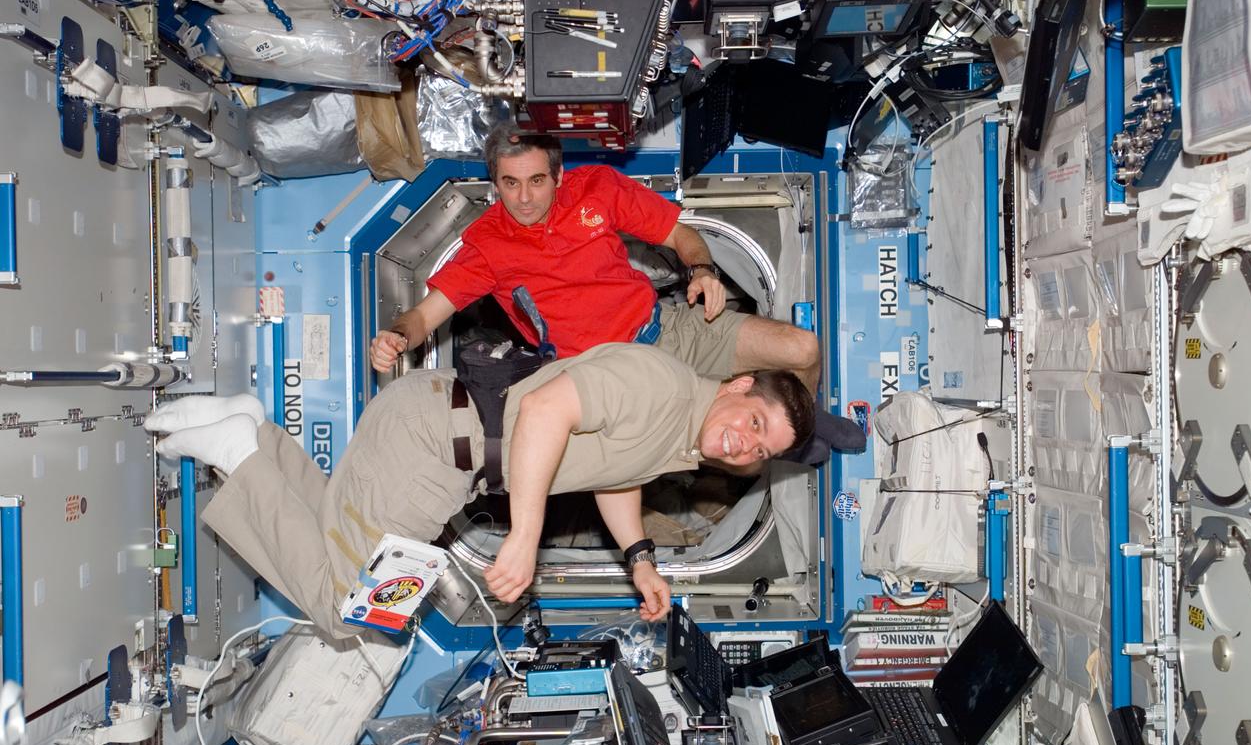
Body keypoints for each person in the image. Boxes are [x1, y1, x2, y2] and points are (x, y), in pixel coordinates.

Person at [146, 344, 813, 639]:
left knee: (333, 531)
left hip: (445, 446)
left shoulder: (681, 429)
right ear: (738, 385)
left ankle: (252, 432)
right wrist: (524, 538)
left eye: (763, 451)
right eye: (754, 424)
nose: (746, 447)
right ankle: (238, 451)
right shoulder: (662, 387)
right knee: (353, 611)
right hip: (436, 446)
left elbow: (618, 472)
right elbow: (548, 411)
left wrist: (640, 556)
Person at [368, 125, 864, 463]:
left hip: (666, 327)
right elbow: (424, 316)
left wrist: (703, 271)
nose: (523, 198)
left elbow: (680, 235)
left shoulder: (597, 190)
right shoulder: (486, 247)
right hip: (615, 376)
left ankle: (801, 429)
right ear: (494, 184)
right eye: (510, 184)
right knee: (729, 453)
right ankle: (783, 447)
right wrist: (395, 335)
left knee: (803, 348)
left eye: (537, 181)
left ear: (559, 177)